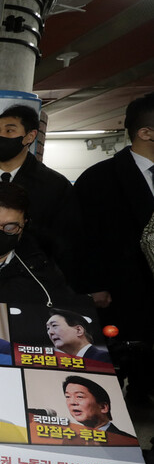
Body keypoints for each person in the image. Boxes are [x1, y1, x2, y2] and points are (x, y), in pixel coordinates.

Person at [75, 93, 154, 395]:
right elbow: (82, 239)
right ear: (145, 133)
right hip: (120, 298)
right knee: (114, 374)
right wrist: (92, 285)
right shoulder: (99, 179)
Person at [0, 105, 80, 280]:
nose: (0, 136)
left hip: (34, 277)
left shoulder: (54, 185)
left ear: (30, 136)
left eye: (10, 131)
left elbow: (69, 238)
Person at [63, 376, 136, 441]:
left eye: (79, 396)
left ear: (103, 407)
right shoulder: (70, 441)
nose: (72, 402)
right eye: (68, 397)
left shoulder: (128, 442)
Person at [45, 309, 111, 363]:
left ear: (79, 330)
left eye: (54, 325)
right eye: (48, 328)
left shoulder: (103, 358)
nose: (50, 332)